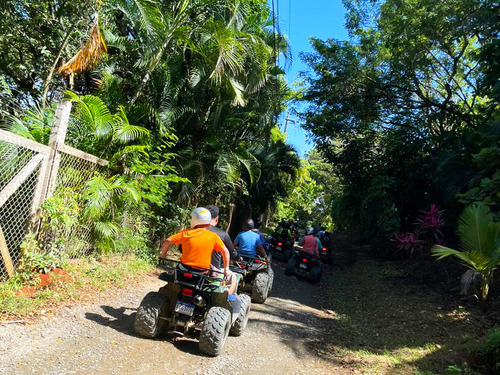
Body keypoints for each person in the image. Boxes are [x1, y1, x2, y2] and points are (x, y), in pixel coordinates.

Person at [159, 207, 236, 294]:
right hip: (202, 271)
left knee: (175, 271)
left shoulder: (186, 233)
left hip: (184, 268)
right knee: (219, 275)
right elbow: (226, 252)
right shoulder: (213, 236)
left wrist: (162, 256)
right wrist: (226, 269)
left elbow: (168, 240)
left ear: (194, 220)